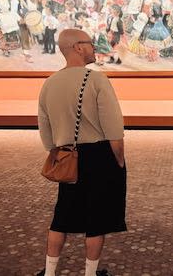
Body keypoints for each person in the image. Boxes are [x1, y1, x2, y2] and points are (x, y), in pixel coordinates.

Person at [37, 28, 127, 276]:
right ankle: (90, 273)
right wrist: (119, 161)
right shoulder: (97, 80)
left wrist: (60, 154)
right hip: (100, 157)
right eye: (89, 43)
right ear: (77, 47)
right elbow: (114, 131)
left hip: (68, 156)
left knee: (62, 216)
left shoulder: (49, 83)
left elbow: (45, 132)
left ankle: (50, 272)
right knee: (96, 221)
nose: (94, 46)